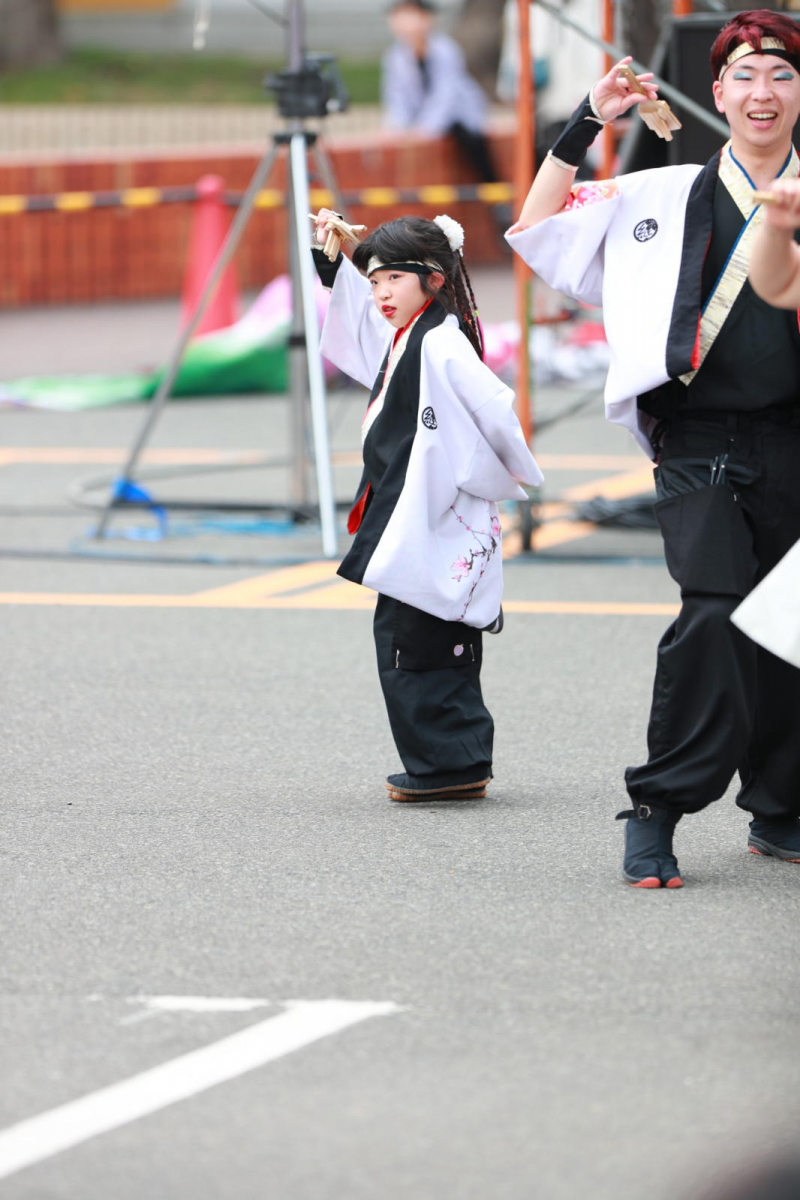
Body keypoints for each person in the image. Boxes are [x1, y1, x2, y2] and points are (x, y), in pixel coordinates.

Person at [506, 11, 800, 886]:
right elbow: (537, 229)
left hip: (793, 436)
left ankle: (781, 807)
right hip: (697, 438)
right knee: (713, 611)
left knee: (786, 627)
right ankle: (658, 806)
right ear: (716, 93)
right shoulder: (657, 195)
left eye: (782, 77)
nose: (763, 93)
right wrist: (588, 121)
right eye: (745, 76)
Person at [310, 209, 542, 802]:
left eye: (393, 279)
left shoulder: (440, 344)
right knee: (426, 634)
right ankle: (456, 759)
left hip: (435, 510)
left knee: (417, 640)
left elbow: (494, 411)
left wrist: (503, 471)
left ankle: (450, 766)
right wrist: (337, 262)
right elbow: (361, 333)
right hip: (420, 511)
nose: (381, 293)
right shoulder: (417, 333)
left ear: (433, 278)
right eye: (375, 281)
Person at [381, 0, 499, 188]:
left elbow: (446, 94)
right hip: (422, 119)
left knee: (476, 155)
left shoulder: (445, 50)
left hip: (460, 116)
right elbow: (396, 96)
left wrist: (427, 128)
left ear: (427, 19)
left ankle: (497, 198)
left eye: (412, 15)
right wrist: (397, 126)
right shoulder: (395, 56)